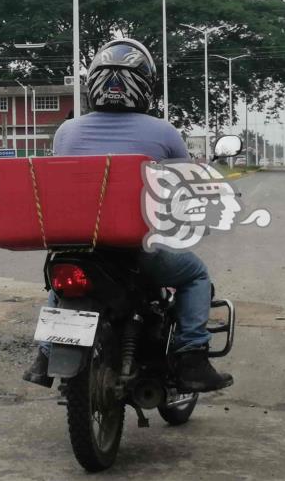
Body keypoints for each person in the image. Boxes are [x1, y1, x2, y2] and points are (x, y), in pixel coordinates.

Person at [23, 38, 233, 393]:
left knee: (62, 282)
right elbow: (185, 185)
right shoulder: (162, 132)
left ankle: (44, 356)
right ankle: (191, 356)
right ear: (144, 84)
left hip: (79, 246)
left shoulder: (67, 131)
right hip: (138, 252)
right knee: (195, 273)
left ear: (94, 84)